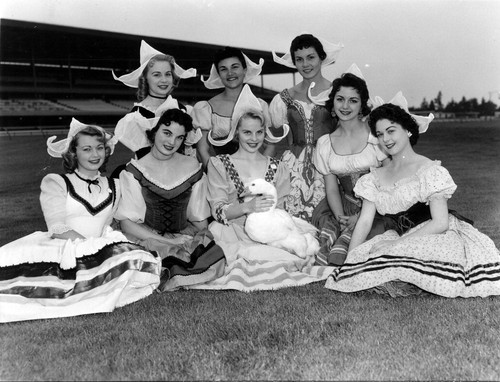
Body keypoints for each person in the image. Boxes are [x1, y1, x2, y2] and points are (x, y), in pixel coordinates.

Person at [325, 93, 500, 297]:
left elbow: (440, 222)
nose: (386, 139)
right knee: (371, 254)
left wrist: (396, 243)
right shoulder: (375, 177)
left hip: (437, 234)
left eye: (391, 131)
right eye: (380, 134)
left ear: (408, 130)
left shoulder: (428, 170)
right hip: (399, 235)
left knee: (396, 252)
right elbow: (364, 221)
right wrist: (350, 261)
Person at [0, 118, 161, 323]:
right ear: (73, 153)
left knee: (138, 259)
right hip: (63, 248)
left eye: (99, 148)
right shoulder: (58, 182)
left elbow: (115, 224)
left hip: (99, 246)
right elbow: (57, 228)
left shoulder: (116, 185)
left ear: (106, 150)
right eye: (87, 149)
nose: (95, 155)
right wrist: (93, 248)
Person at [187, 87, 333, 292]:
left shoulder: (278, 167)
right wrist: (247, 207)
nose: (254, 138)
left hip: (268, 233)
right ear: (236, 132)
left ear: (265, 133)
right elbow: (218, 211)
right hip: (231, 231)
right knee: (245, 257)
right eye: (247, 132)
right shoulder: (219, 163)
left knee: (286, 253)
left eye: (259, 132)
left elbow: (280, 210)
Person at [115, 108, 226, 291]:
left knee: (209, 257)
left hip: (183, 233)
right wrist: (169, 242)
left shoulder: (191, 166)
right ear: (154, 132)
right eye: (167, 133)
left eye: (179, 137)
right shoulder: (134, 170)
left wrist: (202, 240)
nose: (172, 142)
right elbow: (127, 224)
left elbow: (197, 216)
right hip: (146, 236)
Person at [313, 64, 387, 266]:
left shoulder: (375, 135)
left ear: (362, 104)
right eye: (340, 99)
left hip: (378, 206)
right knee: (330, 249)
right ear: (333, 103)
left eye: (353, 101)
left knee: (361, 251)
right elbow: (331, 188)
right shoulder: (325, 143)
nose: (345, 106)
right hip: (342, 206)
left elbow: (388, 181)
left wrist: (362, 215)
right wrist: (341, 218)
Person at [269, 33, 343, 225]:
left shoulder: (337, 92)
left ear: (321, 58)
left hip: (327, 164)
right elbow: (277, 139)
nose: (305, 64)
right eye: (299, 60)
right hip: (293, 164)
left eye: (311, 57)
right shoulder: (285, 97)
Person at [112, 40, 200, 162]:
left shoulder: (184, 109)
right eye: (157, 75)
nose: (164, 80)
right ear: (145, 78)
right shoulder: (136, 117)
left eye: (168, 74)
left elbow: (190, 151)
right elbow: (146, 160)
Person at [191, 46, 272, 168]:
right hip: (221, 177)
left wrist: (259, 174)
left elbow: (271, 145)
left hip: (255, 176)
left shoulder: (260, 105)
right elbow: (202, 150)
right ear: (218, 74)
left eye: (235, 67)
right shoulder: (206, 108)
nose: (230, 73)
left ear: (244, 70)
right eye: (223, 69)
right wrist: (219, 175)